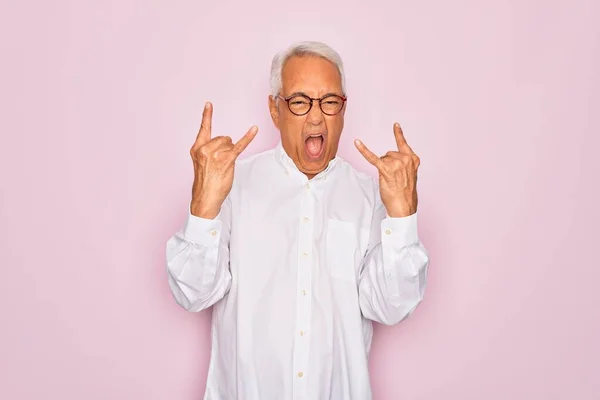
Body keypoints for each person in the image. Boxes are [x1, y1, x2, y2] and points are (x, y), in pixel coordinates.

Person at [166, 41, 430, 400]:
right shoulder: (230, 184)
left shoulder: (372, 196)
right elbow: (194, 294)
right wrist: (203, 205)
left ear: (343, 110)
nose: (317, 117)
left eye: (330, 102)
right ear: (275, 110)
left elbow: (391, 307)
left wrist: (402, 218)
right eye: (300, 102)